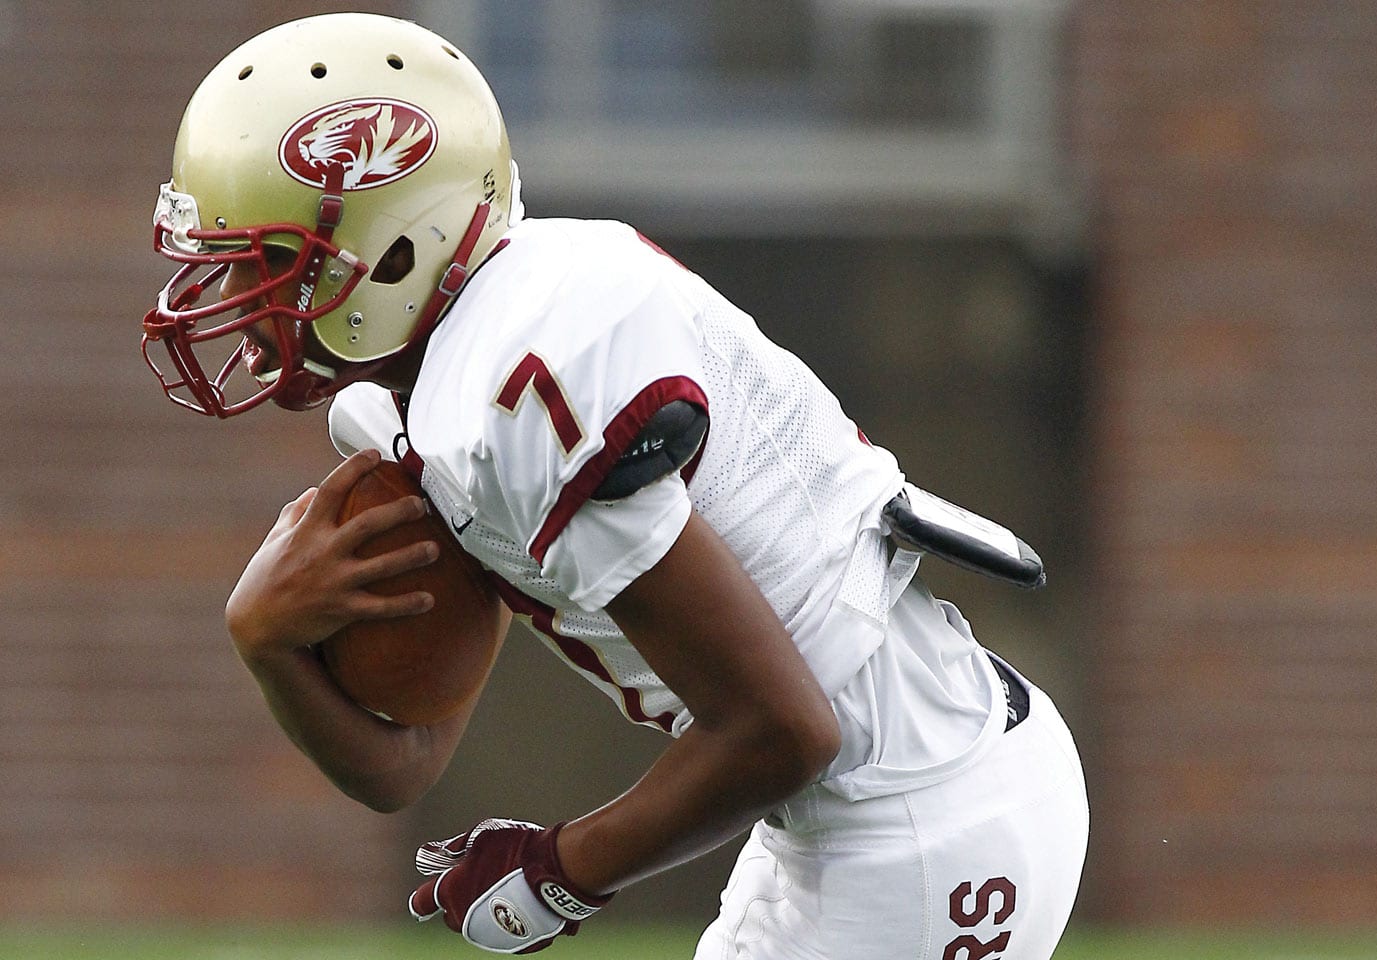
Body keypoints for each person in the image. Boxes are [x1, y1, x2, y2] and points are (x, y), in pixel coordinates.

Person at [141, 12, 1088, 959]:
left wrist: (557, 871)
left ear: (397, 249)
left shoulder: (523, 387)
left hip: (920, 818)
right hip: (882, 798)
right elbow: (404, 763)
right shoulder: (428, 403)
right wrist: (266, 639)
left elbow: (782, 731)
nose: (235, 306)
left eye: (267, 265)